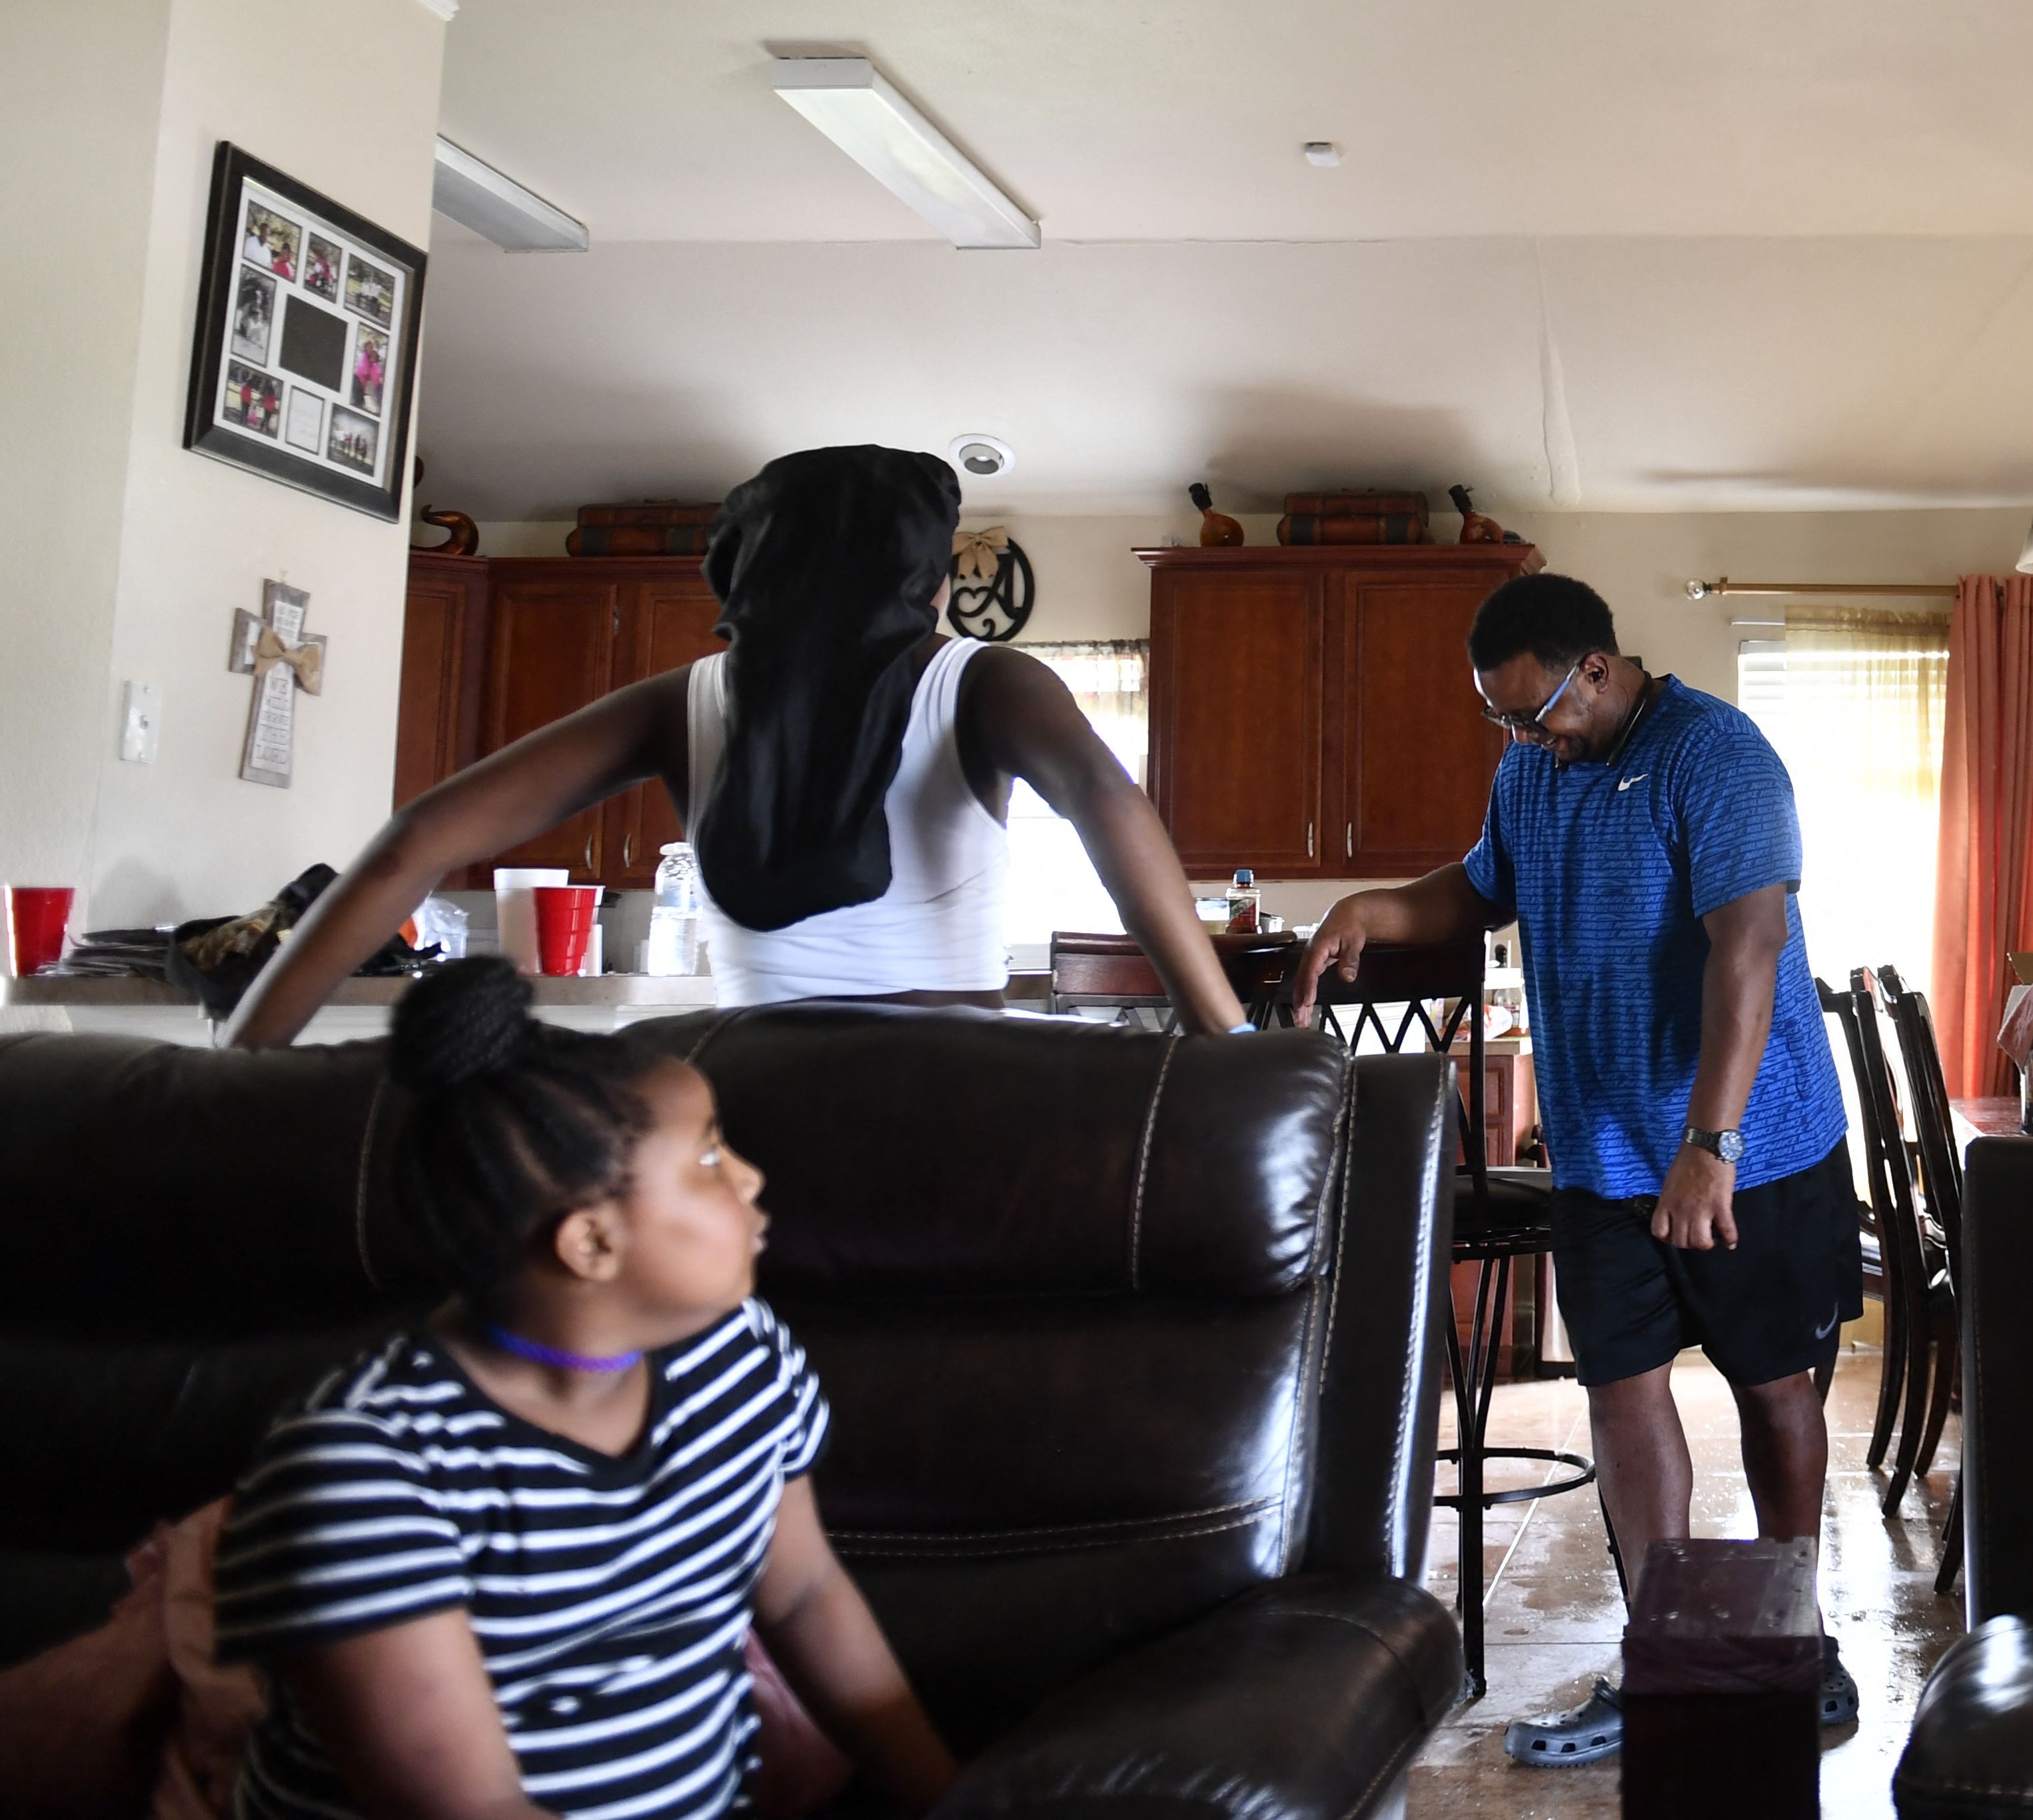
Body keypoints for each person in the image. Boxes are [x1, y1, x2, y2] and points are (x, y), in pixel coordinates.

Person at [1301, 572, 1861, 1768]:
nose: (1520, 738)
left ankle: (1797, 1636)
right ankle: (1662, 1652)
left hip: (1752, 1145)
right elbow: (1478, 886)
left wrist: (1710, 1148)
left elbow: (1750, 950)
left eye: (1535, 710)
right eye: (1501, 720)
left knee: (1772, 1385)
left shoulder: (1719, 756)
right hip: (1603, 1153)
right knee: (1622, 1388)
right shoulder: (1530, 771)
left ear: (1598, 669)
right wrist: (1376, 909)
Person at [216, 958, 955, 1819]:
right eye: (710, 1156)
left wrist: (952, 1803)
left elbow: (803, 1592)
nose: (750, 1180)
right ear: (591, 1245)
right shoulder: (364, 1478)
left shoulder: (739, 1357)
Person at [227, 444, 1253, 1046]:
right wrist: (1227, 1038)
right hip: (949, 1089)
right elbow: (1108, 804)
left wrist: (245, 1054)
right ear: (930, 582)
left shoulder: (682, 700)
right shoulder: (984, 679)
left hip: (743, 1090)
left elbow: (419, 837)